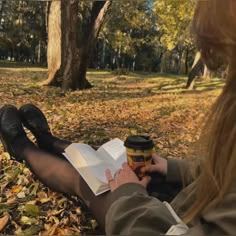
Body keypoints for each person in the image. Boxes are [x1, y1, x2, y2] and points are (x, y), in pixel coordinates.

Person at [1, 0, 236, 234]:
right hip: (191, 202)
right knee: (106, 157)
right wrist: (175, 168)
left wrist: (129, 195)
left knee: (90, 184)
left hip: (169, 223)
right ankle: (49, 140)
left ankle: (21, 147)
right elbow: (226, 176)